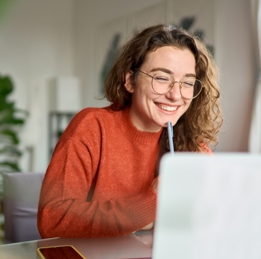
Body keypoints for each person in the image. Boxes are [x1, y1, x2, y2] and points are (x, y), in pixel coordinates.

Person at [37, 24, 223, 238]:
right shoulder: (92, 127)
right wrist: (150, 203)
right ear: (129, 81)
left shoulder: (191, 145)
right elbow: (52, 219)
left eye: (187, 83)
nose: (175, 95)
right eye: (162, 78)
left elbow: (211, 220)